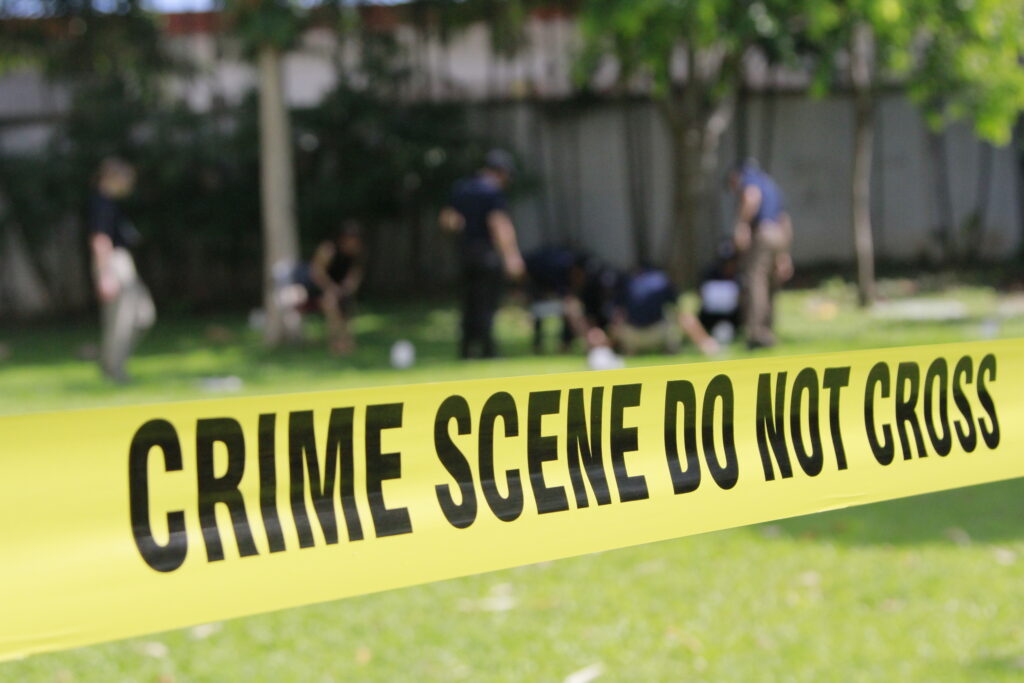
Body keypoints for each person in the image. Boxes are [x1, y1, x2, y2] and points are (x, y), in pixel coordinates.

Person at [440, 149, 525, 359]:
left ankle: (466, 350)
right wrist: (511, 256)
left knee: (468, 302)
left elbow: (447, 219)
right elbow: (498, 223)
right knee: (487, 303)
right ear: (500, 172)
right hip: (486, 254)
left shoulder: (461, 188)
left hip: (465, 253)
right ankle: (488, 350)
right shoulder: (492, 192)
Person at [89, 157, 155, 383]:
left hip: (123, 262)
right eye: (127, 179)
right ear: (112, 177)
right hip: (112, 262)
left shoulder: (111, 202)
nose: (130, 184)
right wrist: (105, 275)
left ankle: (109, 360)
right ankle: (113, 370)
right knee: (120, 320)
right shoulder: (101, 203)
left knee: (144, 315)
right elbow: (100, 240)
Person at [728, 160, 793, 349]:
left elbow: (751, 197)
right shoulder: (771, 185)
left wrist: (741, 225)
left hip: (762, 234)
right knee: (771, 284)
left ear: (736, 176)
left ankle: (756, 334)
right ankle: (768, 330)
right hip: (779, 235)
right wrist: (784, 254)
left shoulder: (749, 180)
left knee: (755, 282)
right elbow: (784, 219)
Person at [302, 221, 365, 355]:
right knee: (331, 303)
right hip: (315, 287)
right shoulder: (329, 249)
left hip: (338, 289)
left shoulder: (355, 254)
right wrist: (332, 288)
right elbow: (316, 273)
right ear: (343, 239)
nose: (354, 244)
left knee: (348, 304)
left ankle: (347, 341)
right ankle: (336, 342)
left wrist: (348, 288)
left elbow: (355, 275)